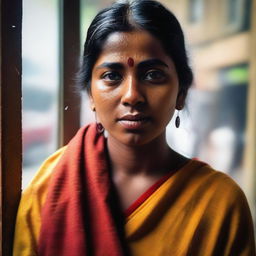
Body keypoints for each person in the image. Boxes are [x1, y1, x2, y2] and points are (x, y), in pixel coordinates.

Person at [13, 0, 255, 255]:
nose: (132, 95)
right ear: (91, 95)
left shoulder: (220, 203)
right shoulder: (51, 185)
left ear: (181, 92)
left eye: (153, 75)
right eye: (112, 76)